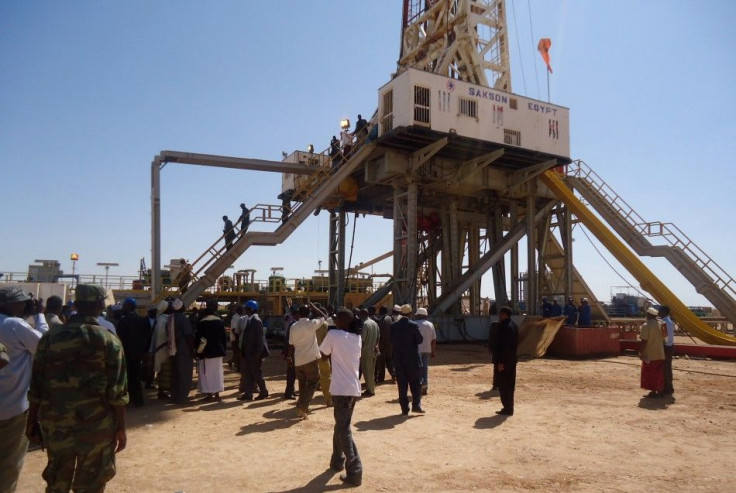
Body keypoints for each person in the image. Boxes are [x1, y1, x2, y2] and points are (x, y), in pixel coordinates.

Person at [26, 284, 128, 493]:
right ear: (101, 305)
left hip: (56, 422)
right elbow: (117, 391)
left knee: (57, 479)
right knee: (91, 481)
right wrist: (121, 428)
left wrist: (32, 421)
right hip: (97, 425)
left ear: (76, 305)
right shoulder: (109, 340)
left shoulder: (50, 338)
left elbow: (36, 384)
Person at [0, 287, 48, 492]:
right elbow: (45, 345)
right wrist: (39, 315)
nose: (23, 305)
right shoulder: (13, 324)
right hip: (12, 408)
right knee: (9, 465)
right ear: (10, 304)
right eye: (20, 302)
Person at [319, 308, 363, 487]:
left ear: (343, 321)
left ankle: (355, 471)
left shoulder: (334, 335)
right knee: (340, 425)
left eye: (337, 319)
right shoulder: (357, 337)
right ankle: (337, 460)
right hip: (352, 388)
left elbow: (322, 354)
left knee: (344, 429)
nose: (334, 320)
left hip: (341, 389)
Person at [288, 306, 325, 418]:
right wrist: (316, 309)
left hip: (298, 360)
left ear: (298, 314)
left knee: (302, 383)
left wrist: (289, 357)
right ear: (308, 314)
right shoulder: (311, 324)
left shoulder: (293, 326)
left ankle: (302, 406)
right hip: (310, 359)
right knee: (313, 382)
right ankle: (302, 407)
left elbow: (291, 344)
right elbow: (322, 317)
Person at [390, 304, 424, 415]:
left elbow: (391, 340)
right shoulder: (413, 325)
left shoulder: (393, 326)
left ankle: (405, 409)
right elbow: (419, 340)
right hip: (413, 360)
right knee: (416, 384)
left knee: (402, 385)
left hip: (399, 360)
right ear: (410, 313)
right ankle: (416, 405)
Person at [117, 297, 149, 407]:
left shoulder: (123, 321)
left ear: (128, 306)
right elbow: (145, 336)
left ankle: (129, 400)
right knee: (136, 378)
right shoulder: (141, 320)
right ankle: (139, 401)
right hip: (137, 354)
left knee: (127, 378)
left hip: (126, 354)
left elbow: (119, 338)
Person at [195, 300, 227, 402]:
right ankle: (217, 394)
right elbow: (223, 338)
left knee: (206, 373)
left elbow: (199, 339)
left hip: (206, 353)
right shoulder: (220, 322)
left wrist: (197, 352)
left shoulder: (202, 323)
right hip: (218, 352)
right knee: (217, 373)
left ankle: (209, 394)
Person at [239, 300, 269, 401]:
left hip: (254, 353)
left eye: (246, 308)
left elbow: (260, 339)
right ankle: (248, 394)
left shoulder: (256, 320)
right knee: (248, 374)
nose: (245, 310)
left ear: (251, 309)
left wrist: (258, 354)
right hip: (249, 353)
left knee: (256, 373)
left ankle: (264, 392)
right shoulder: (250, 319)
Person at [492, 307, 519, 416]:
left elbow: (505, 347)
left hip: (505, 361)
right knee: (510, 385)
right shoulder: (514, 326)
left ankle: (507, 408)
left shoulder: (506, 328)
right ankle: (509, 408)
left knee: (503, 385)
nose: (499, 316)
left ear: (505, 314)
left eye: (501, 314)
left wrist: (501, 362)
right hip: (512, 360)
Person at [170, 299, 195, 404]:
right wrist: (193, 349)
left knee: (175, 373)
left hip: (172, 350)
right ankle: (182, 397)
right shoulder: (183, 319)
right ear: (182, 308)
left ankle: (175, 395)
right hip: (184, 350)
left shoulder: (170, 318)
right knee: (184, 373)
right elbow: (188, 335)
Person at [640, 307, 665, 398]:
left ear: (648, 315)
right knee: (659, 373)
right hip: (660, 353)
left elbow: (644, 340)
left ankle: (654, 391)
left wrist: (641, 352)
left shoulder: (646, 325)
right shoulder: (661, 324)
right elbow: (665, 338)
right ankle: (660, 390)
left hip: (650, 354)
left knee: (650, 374)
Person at [150, 300, 173, 399]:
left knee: (162, 369)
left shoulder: (159, 319)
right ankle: (162, 391)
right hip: (163, 348)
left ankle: (162, 390)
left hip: (159, 348)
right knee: (164, 370)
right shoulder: (164, 320)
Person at [313, 305, 333, 407]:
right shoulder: (325, 325)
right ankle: (329, 400)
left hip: (311, 354)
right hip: (322, 353)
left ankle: (305, 402)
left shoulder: (310, 324)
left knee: (311, 377)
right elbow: (327, 341)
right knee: (326, 376)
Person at [414, 308, 437, 396]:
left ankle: (420, 385)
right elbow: (434, 340)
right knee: (425, 369)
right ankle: (425, 387)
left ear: (418, 315)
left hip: (417, 351)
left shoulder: (415, 324)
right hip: (427, 350)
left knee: (417, 369)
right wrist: (433, 351)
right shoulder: (430, 325)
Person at [358, 308, 380, 397]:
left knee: (367, 372)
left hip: (366, 352)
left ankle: (370, 390)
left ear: (362, 315)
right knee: (371, 371)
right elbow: (379, 336)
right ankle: (371, 388)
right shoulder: (374, 323)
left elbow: (362, 340)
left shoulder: (365, 324)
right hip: (374, 350)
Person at [281, 307, 298, 400]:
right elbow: (288, 340)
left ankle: (292, 391)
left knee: (293, 373)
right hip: (291, 353)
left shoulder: (294, 324)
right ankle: (288, 393)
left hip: (293, 352)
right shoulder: (293, 325)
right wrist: (286, 353)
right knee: (291, 374)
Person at [375, 306, 395, 383]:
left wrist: (379, 344)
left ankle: (381, 378)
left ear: (381, 311)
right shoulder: (390, 318)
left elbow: (381, 333)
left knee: (381, 362)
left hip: (383, 344)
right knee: (389, 360)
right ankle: (394, 374)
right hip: (390, 344)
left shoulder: (381, 320)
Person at [659, 306, 675, 396]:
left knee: (666, 369)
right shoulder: (668, 321)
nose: (658, 312)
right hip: (670, 346)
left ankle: (667, 388)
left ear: (664, 312)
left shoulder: (664, 322)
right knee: (668, 368)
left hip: (666, 347)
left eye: (660, 311)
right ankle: (669, 387)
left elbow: (664, 336)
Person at [229, 304, 243, 372]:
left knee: (236, 352)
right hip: (235, 338)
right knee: (237, 352)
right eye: (242, 310)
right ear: (239, 310)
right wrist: (238, 338)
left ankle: (231, 361)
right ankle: (238, 367)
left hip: (238, 337)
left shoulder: (239, 317)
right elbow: (234, 330)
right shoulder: (235, 318)